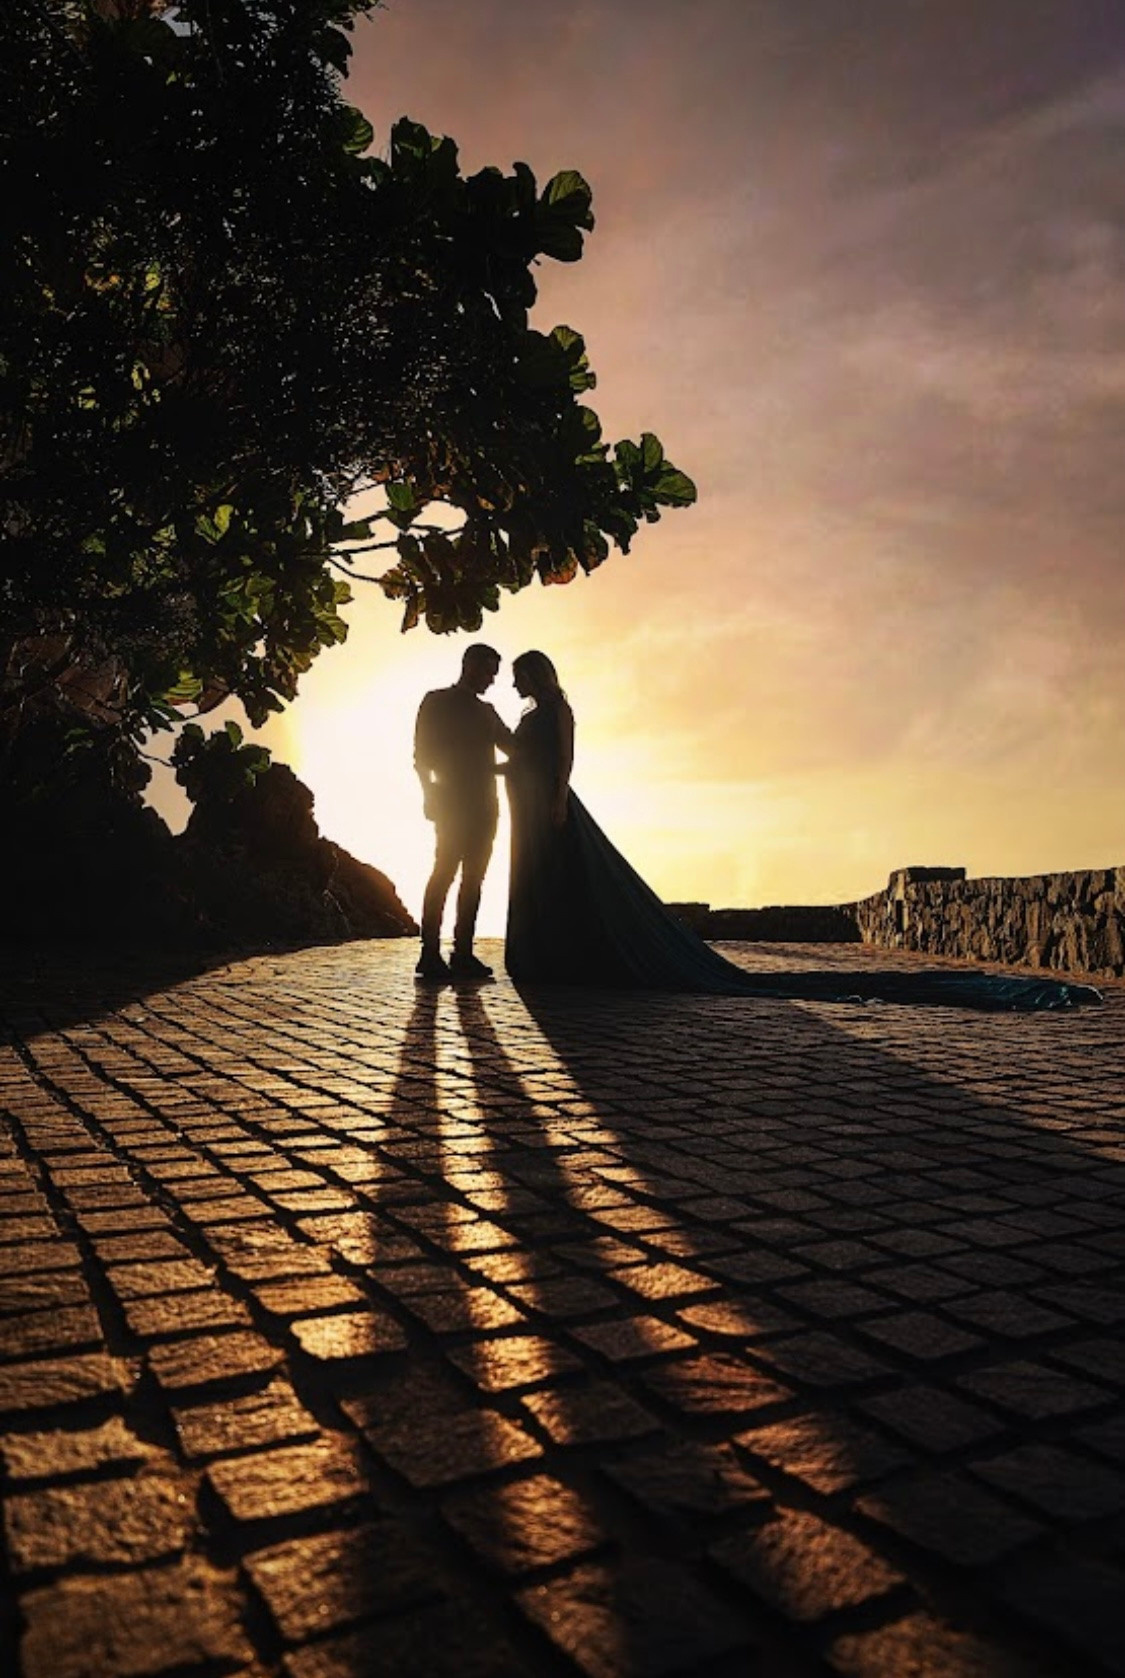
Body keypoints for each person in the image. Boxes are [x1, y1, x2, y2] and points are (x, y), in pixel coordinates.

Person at [502, 650, 1102, 1009]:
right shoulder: (527, 713)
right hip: (527, 809)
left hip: (551, 808)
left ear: (536, 673)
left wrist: (555, 800)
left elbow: (563, 761)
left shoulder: (557, 709)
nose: (513, 684)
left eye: (518, 675)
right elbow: (520, 757)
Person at [414, 644, 512, 982]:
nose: (491, 680)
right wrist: (429, 795)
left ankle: (463, 953)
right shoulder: (436, 701)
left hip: (487, 806)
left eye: (494, 674)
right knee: (443, 873)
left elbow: (513, 747)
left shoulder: (488, 711)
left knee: (474, 879)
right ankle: (429, 953)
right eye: (487, 672)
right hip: (451, 803)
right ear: (469, 665)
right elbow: (421, 756)